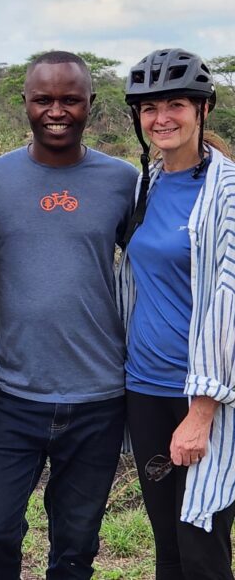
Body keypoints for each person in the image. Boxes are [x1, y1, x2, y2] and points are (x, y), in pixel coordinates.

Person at [0, 51, 139, 579]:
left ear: (92, 103)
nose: (56, 110)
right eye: (44, 99)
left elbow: (147, 271)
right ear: (25, 103)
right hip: (13, 392)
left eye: (70, 99)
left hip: (98, 397)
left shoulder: (124, 181)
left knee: (76, 541)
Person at [117, 48, 235, 579]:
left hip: (202, 399)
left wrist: (202, 410)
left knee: (202, 545)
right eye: (149, 107)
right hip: (145, 390)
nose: (161, 118)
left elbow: (228, 300)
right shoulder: (147, 183)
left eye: (176, 104)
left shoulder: (227, 192)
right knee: (167, 544)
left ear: (202, 110)